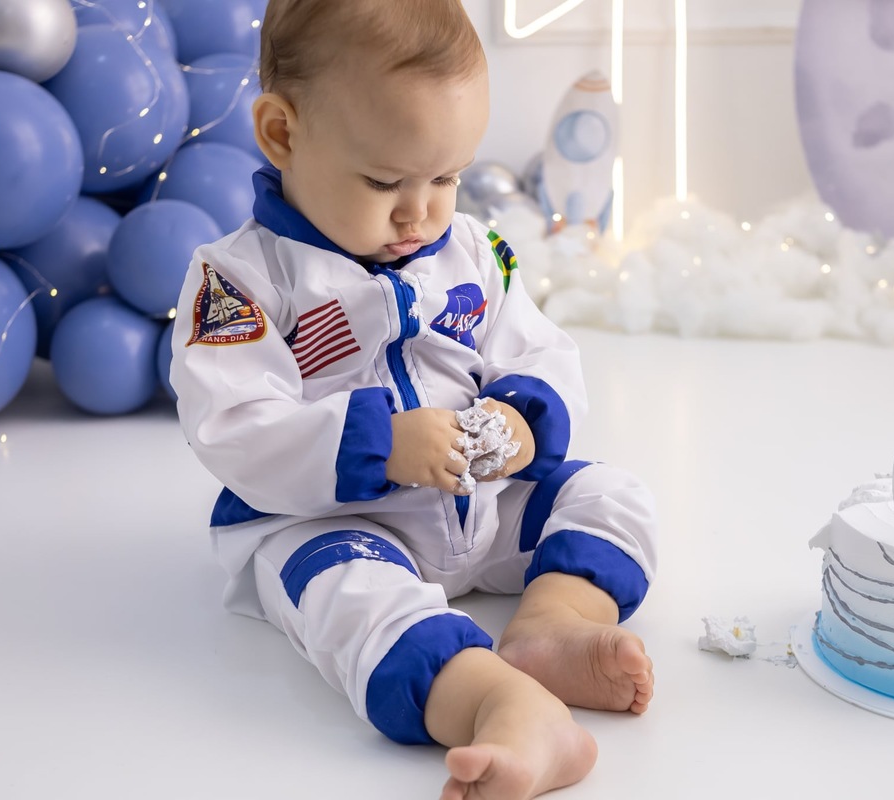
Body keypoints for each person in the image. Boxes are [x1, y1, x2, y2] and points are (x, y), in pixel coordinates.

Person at [169, 1, 659, 797]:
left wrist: (520, 418)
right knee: (351, 603)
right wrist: (381, 443)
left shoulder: (470, 248)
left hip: (486, 507)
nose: (420, 210)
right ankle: (496, 702)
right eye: (386, 180)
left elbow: (536, 346)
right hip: (335, 525)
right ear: (283, 134)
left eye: (447, 176)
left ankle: (552, 629)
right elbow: (232, 426)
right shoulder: (241, 281)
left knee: (611, 496)